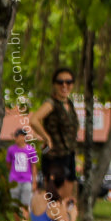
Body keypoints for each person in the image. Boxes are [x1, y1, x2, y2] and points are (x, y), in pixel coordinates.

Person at [31, 67, 80, 198]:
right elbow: (34, 120)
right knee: (54, 199)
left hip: (68, 154)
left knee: (67, 198)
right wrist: (47, 138)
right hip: (54, 156)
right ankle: (48, 218)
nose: (64, 85)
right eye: (60, 82)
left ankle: (67, 219)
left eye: (68, 82)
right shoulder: (51, 103)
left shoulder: (70, 104)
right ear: (54, 85)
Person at [6, 128, 39, 221]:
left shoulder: (31, 150)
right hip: (15, 180)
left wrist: (34, 181)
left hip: (26, 179)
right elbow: (8, 164)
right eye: (19, 136)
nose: (21, 138)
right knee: (15, 203)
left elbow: (34, 166)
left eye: (23, 136)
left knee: (25, 203)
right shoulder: (11, 150)